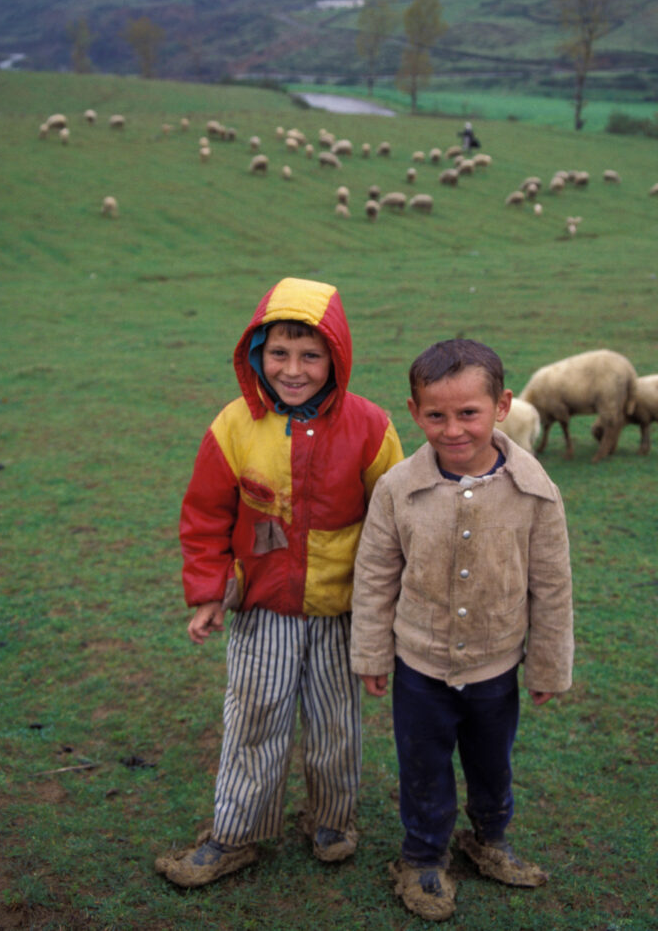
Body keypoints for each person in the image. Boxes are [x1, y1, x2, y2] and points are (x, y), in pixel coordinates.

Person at [155, 277, 403, 888]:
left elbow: (398, 518)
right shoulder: (234, 426)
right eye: (279, 354)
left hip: (342, 610)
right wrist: (211, 590)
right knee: (254, 718)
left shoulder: (371, 426)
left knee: (335, 722)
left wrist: (389, 607)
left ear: (336, 356)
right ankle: (235, 834)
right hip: (263, 605)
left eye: (311, 355)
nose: (293, 370)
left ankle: (332, 821)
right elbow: (206, 514)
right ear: (257, 353)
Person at [350, 338, 573, 922]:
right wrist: (373, 652)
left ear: (501, 406)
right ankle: (422, 858)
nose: (453, 429)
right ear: (414, 409)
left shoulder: (535, 489)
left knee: (492, 764)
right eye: (436, 415)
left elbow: (551, 586)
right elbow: (374, 574)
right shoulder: (397, 488)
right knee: (422, 766)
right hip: (418, 667)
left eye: (468, 413)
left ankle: (488, 841)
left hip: (496, 668)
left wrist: (549, 665)